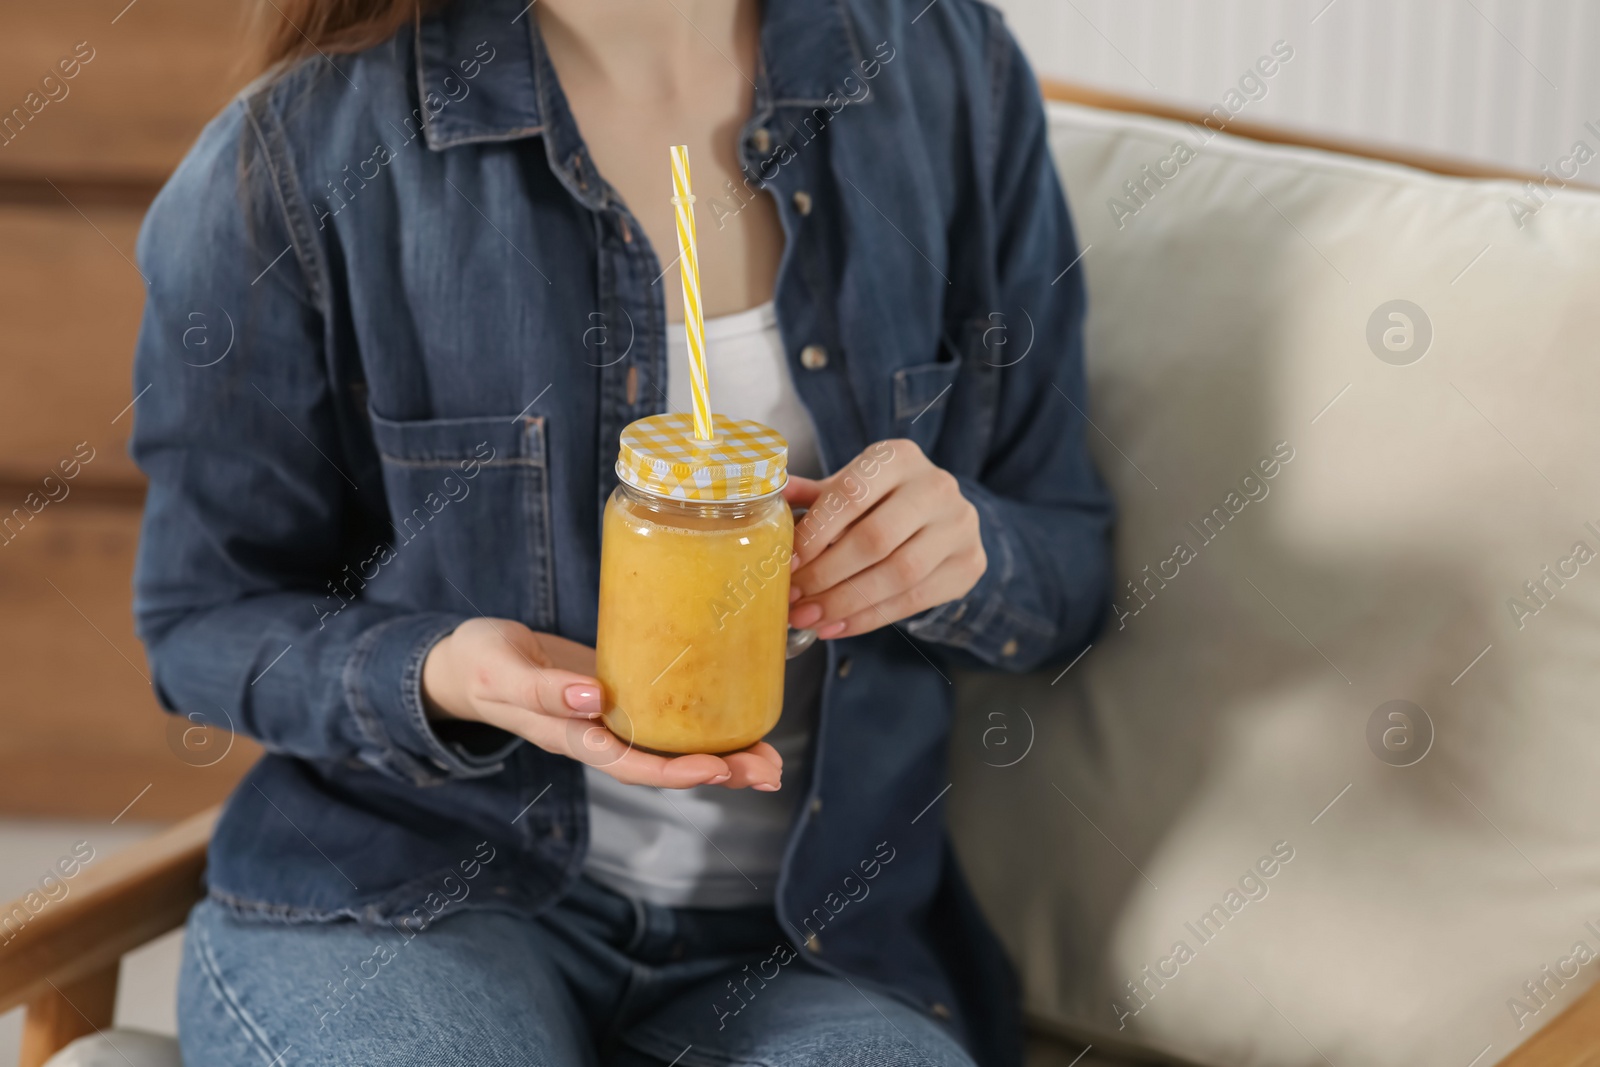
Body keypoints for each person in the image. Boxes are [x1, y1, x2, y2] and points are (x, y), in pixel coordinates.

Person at [129, 0, 1112, 1063]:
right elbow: (201, 619)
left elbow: (1067, 566)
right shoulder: (295, 151)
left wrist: (962, 556)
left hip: (816, 948)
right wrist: (441, 673)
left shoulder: (946, 66)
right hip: (410, 895)